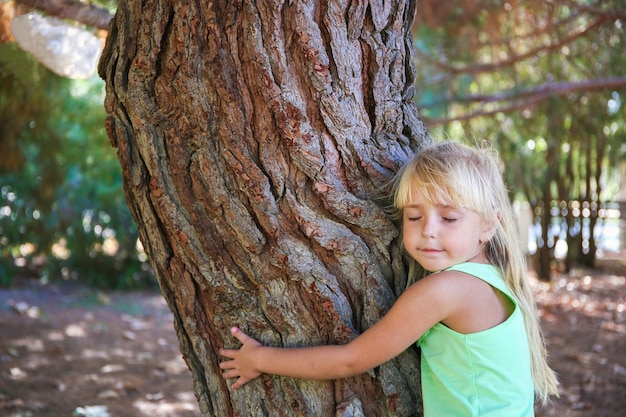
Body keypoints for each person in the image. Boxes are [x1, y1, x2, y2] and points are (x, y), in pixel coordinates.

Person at [220, 141, 559, 416]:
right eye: (414, 216)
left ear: (488, 225)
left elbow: (351, 359)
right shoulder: (491, 281)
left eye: (449, 218)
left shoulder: (447, 290)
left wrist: (259, 359)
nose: (428, 231)